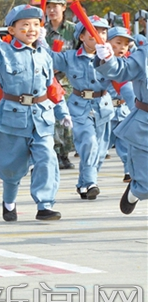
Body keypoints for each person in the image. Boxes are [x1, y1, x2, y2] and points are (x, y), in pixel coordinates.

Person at [0, 4, 69, 222]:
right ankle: (9, 201)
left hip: (41, 116)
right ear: (12, 30)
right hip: (13, 118)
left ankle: (45, 204)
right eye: (25, 25)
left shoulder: (44, 54)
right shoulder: (3, 52)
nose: (31, 29)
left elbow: (52, 86)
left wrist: (62, 111)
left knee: (47, 157)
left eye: (36, 24)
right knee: (12, 167)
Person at [50, 15, 113, 200]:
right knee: (89, 142)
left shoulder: (110, 58)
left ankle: (84, 184)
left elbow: (123, 74)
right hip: (80, 107)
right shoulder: (70, 57)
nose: (99, 35)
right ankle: (92, 182)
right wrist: (39, 41)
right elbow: (48, 58)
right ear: (82, 37)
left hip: (103, 107)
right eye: (93, 32)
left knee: (99, 151)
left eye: (103, 32)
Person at [95, 27, 148, 215]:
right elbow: (122, 70)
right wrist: (108, 60)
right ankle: (135, 191)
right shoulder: (144, 55)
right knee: (146, 185)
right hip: (145, 126)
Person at [44, 0, 77, 171]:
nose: (51, 10)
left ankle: (65, 153)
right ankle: (56, 153)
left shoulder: (73, 30)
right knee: (54, 119)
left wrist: (64, 63)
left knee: (67, 119)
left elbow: (80, 53)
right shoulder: (42, 30)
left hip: (68, 81)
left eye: (55, 6)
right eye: (48, 6)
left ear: (64, 7)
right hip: (48, 81)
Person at [105, 27, 135, 183]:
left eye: (126, 44)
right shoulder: (100, 62)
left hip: (123, 110)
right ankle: (88, 180)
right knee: (100, 148)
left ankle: (129, 172)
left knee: (126, 144)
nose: (122, 47)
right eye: (118, 42)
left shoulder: (129, 63)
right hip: (105, 112)